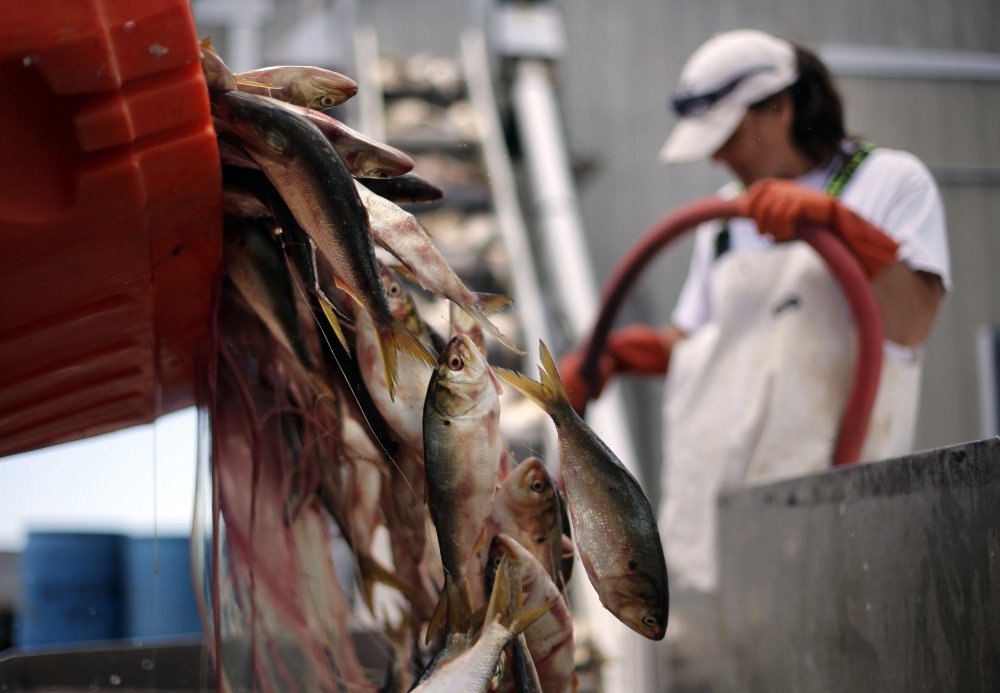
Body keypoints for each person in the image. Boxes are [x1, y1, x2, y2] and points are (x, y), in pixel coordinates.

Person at [558, 29, 951, 690]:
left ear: (781, 108)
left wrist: (836, 223)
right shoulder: (724, 224)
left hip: (843, 507)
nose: (720, 157)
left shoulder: (888, 181)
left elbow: (911, 321)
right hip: (733, 526)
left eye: (731, 134)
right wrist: (610, 357)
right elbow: (701, 348)